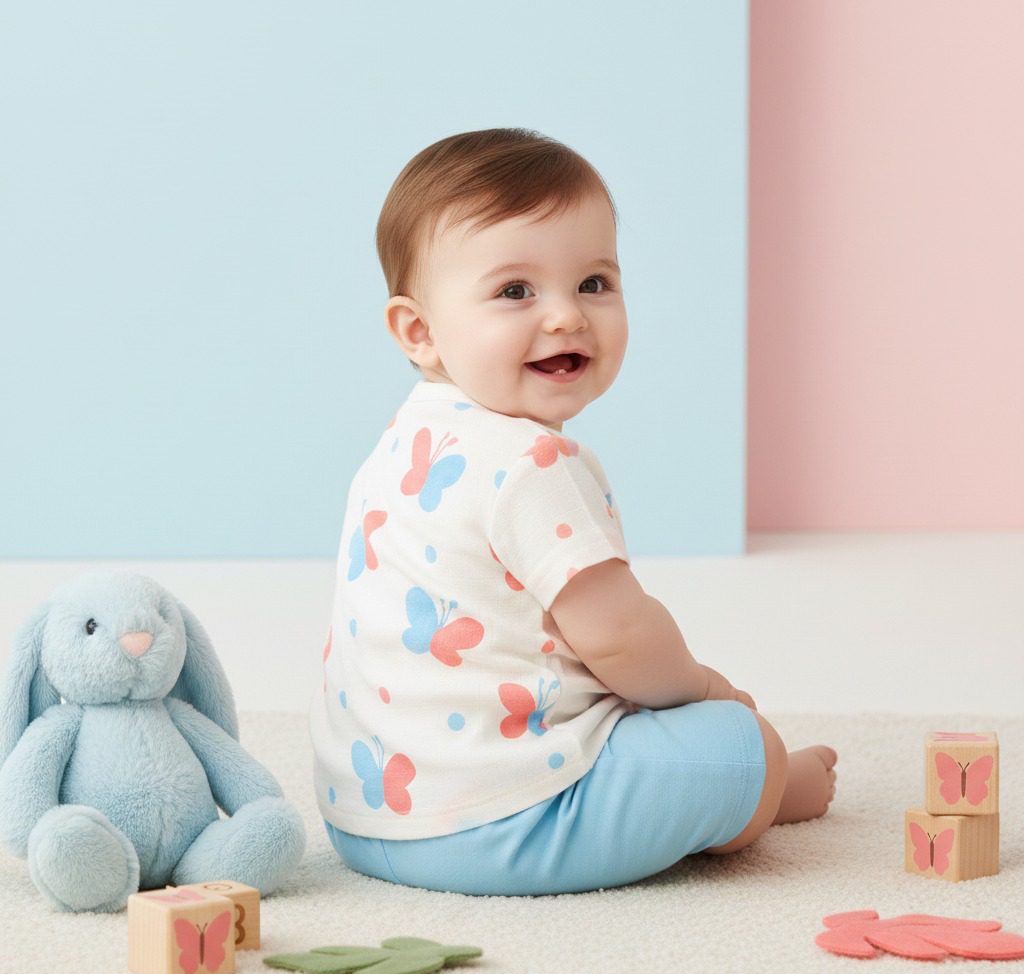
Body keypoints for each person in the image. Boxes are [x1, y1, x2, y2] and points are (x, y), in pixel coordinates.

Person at [310, 128, 836, 895]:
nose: (565, 317)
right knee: (735, 746)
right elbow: (621, 639)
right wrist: (708, 690)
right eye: (516, 291)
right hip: (504, 825)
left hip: (368, 816)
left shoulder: (403, 444)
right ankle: (771, 791)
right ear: (419, 331)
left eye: (594, 283)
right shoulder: (529, 463)